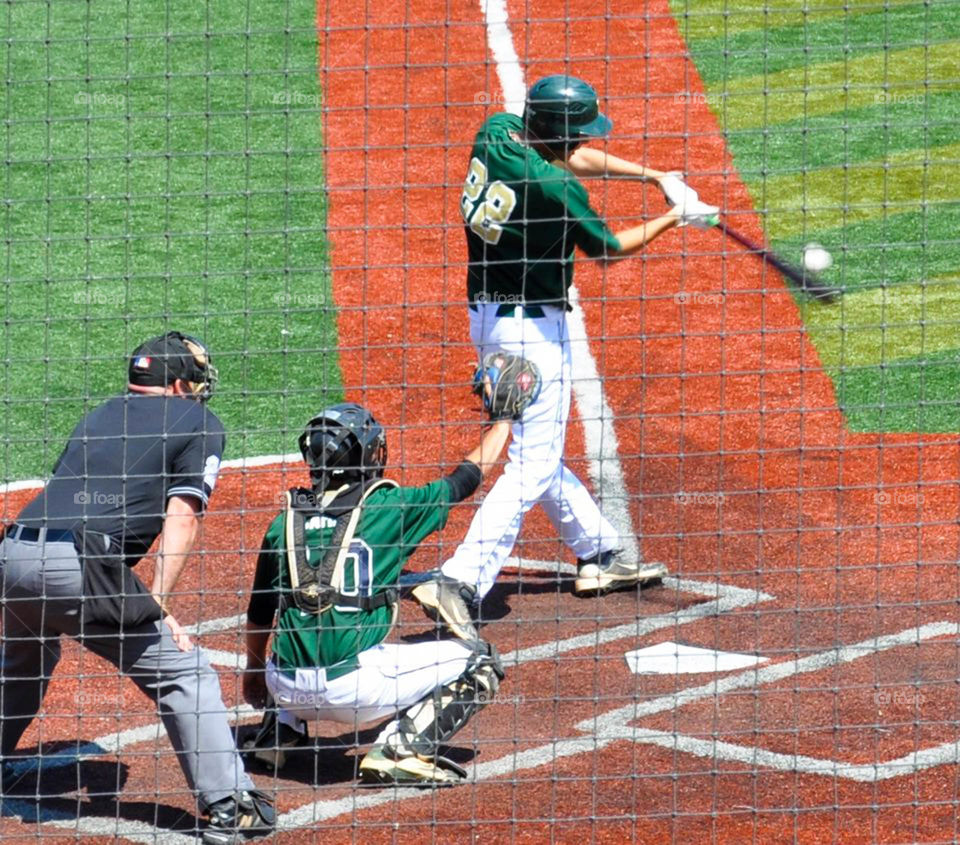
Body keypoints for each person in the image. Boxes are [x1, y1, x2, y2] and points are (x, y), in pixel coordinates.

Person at [413, 74, 719, 635]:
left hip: (487, 319)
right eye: (578, 133)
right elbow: (609, 249)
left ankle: (599, 553)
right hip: (533, 334)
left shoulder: (497, 133)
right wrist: (677, 217)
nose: (583, 142)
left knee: (540, 445)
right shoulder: (556, 189)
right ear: (561, 134)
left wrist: (655, 177)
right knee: (532, 462)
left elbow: (568, 156)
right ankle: (458, 579)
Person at [0, 332, 273, 845]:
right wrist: (156, 603)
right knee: (185, 673)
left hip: (13, 552)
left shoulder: (98, 415)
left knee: (24, 664)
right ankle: (230, 806)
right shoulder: (198, 421)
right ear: (178, 383)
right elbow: (182, 518)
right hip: (76, 564)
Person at [241, 395, 521, 786]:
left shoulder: (282, 522)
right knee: (481, 661)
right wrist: (504, 421)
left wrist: (255, 673)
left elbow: (259, 613)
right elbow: (464, 480)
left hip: (285, 687)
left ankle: (279, 730)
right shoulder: (389, 507)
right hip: (353, 693)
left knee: (300, 624)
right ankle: (399, 750)